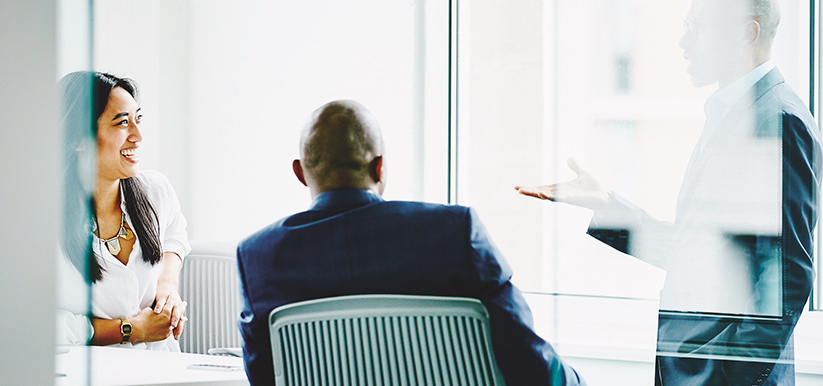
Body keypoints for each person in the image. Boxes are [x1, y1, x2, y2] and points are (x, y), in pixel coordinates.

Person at [516, 0, 820, 385]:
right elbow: (701, 254)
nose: (683, 41)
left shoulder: (779, 120)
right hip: (691, 371)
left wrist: (729, 377)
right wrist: (606, 205)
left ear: (747, 33)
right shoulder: (736, 113)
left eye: (697, 27)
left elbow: (790, 276)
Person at [237, 100, 584, 385]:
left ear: (300, 173)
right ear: (380, 168)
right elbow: (529, 365)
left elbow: (265, 378)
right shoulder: (455, 231)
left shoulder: (258, 257)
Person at [57, 71, 191, 350]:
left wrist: (167, 286)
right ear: (78, 139)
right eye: (122, 123)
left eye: (138, 119)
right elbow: (41, 326)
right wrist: (130, 330)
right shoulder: (39, 220)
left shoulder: (156, 189)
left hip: (162, 370)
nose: (138, 135)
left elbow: (174, 236)